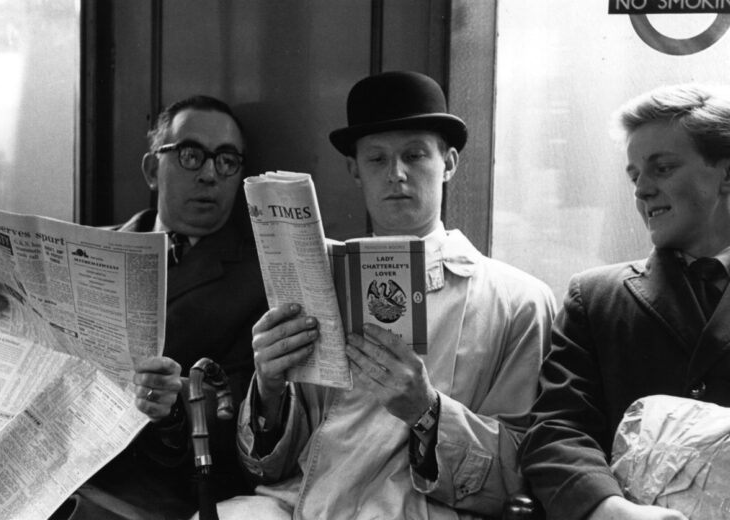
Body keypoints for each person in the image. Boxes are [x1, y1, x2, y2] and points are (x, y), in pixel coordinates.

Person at [205, 71, 556, 519]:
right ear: (355, 170)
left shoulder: (518, 300)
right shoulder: (317, 284)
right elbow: (268, 468)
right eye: (376, 159)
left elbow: (524, 470)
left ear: (449, 163)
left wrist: (427, 412)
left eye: (415, 155)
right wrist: (269, 389)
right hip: (298, 505)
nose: (396, 174)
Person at [0, 95, 268, 519]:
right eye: (191, 155)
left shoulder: (257, 280)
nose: (210, 174)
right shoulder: (88, 249)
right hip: (48, 462)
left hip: (148, 489)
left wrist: (173, 409)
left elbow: (244, 414)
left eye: (226, 161)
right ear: (152, 169)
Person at [518, 84, 730, 520]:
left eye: (662, 168)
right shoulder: (595, 298)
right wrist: (609, 510)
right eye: (634, 175)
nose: (641, 190)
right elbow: (557, 430)